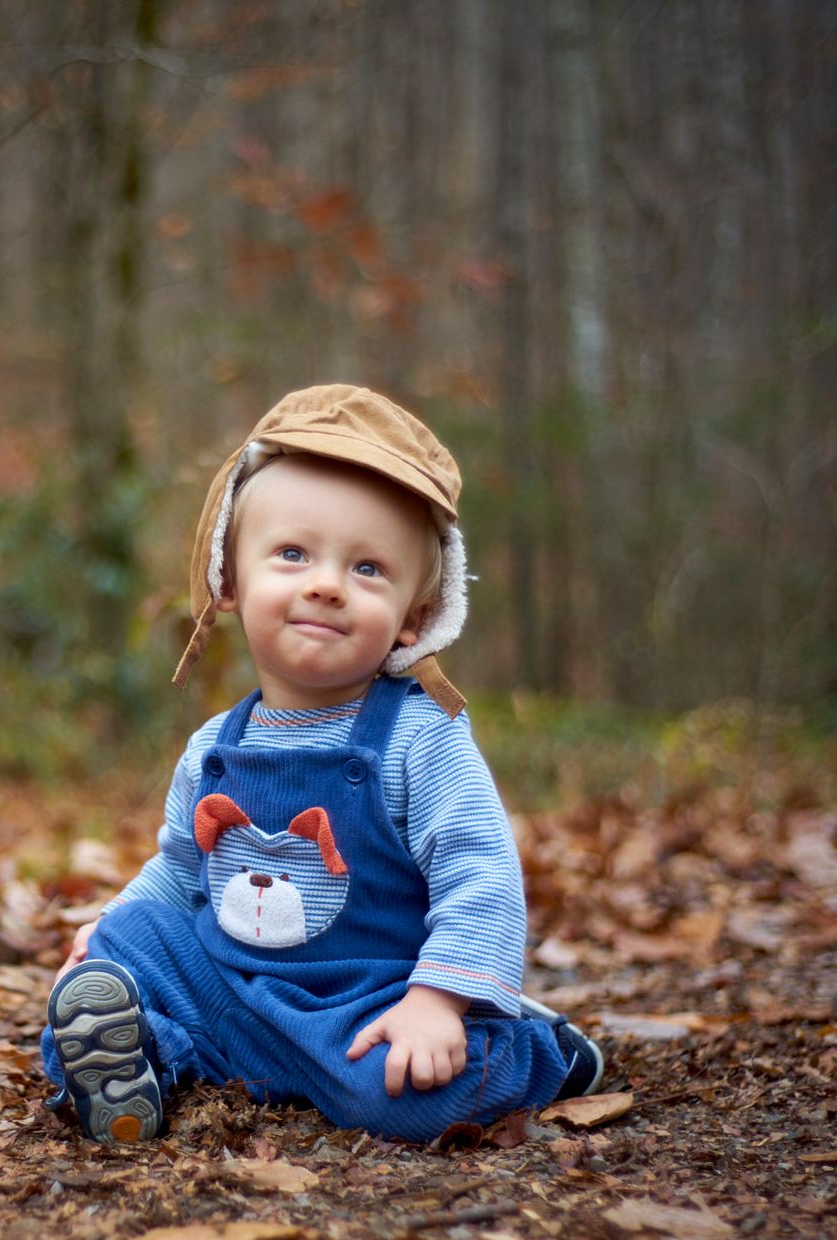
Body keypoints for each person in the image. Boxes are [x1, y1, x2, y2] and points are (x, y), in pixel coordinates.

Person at [42, 384, 604, 1144]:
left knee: (399, 1095)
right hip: (234, 990)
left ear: (415, 616)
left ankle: (533, 1055)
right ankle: (137, 1062)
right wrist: (108, 927)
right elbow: (178, 872)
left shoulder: (420, 734)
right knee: (123, 949)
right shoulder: (214, 743)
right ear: (229, 579)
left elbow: (481, 870)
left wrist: (438, 1000)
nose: (326, 583)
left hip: (365, 1005)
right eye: (293, 553)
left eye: (368, 568)